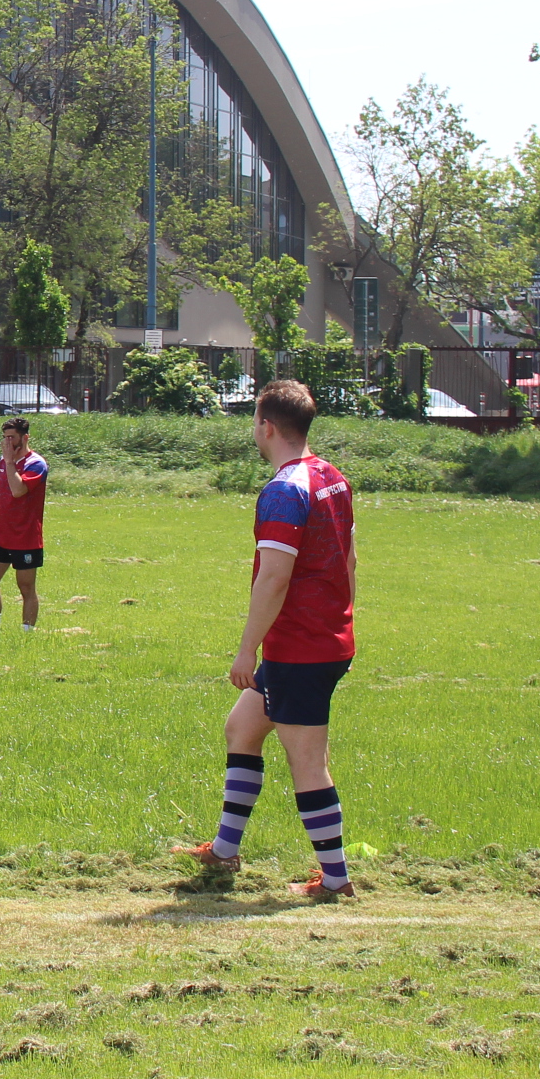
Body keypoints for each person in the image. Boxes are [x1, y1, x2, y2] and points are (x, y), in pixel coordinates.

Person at [173, 380, 360, 901]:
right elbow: (349, 559)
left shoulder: (284, 490)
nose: (254, 429)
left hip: (301, 649)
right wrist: (343, 619)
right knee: (242, 729)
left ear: (267, 427)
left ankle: (336, 880)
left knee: (308, 763)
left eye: (254, 421)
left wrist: (245, 649)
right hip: (317, 641)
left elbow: (274, 578)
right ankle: (224, 850)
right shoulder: (331, 478)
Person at [0, 416, 49, 633]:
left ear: (25, 437)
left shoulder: (36, 464)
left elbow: (18, 490)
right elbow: (0, 491)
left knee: (26, 587)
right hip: (3, 535)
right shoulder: (3, 461)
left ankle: (26, 632)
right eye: (5, 437)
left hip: (26, 537)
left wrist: (11, 462)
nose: (7, 442)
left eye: (12, 437)